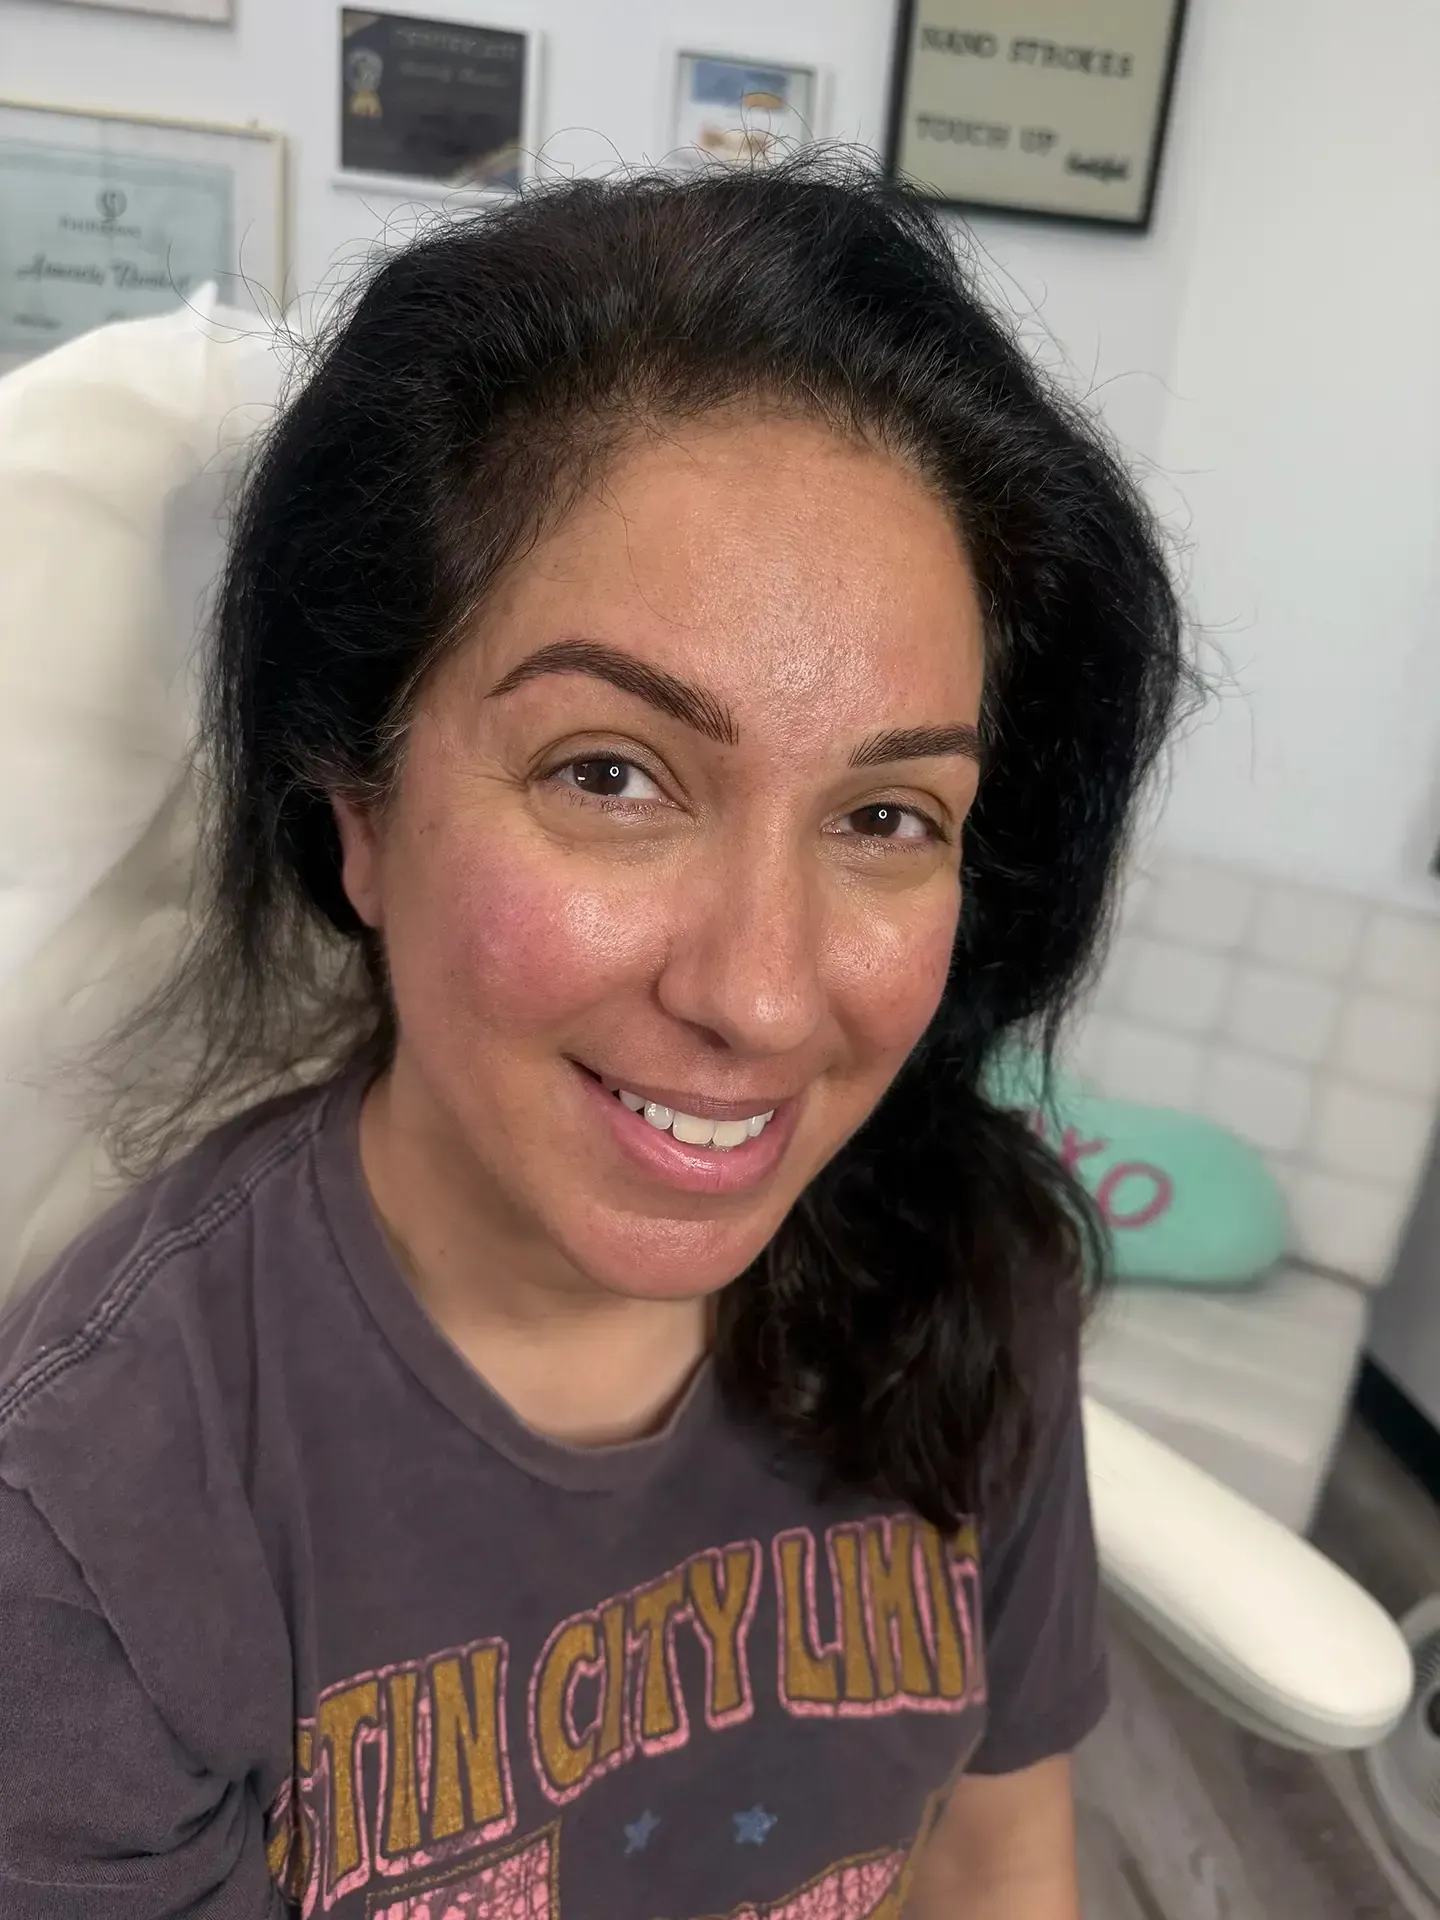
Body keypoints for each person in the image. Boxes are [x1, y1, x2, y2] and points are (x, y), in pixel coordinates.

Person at [0, 158, 1184, 1919]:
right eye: (611, 775)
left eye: (887, 817)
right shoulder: (99, 1525)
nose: (767, 997)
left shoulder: (969, 1271)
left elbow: (1002, 1851)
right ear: (363, 811)